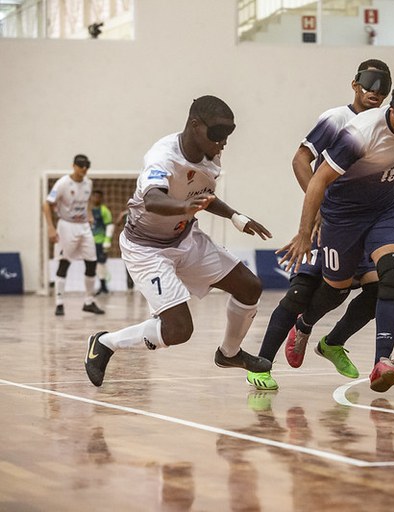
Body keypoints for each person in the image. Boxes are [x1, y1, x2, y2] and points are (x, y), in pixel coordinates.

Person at [84, 95, 273, 387]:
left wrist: (236, 217)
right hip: (147, 249)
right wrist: (185, 208)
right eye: (218, 135)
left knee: (250, 287)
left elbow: (202, 197)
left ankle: (229, 353)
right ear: (195, 125)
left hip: (185, 238)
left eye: (227, 136)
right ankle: (106, 342)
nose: (223, 142)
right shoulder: (163, 156)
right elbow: (153, 199)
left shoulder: (212, 157)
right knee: (179, 331)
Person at [280, 77, 394, 393]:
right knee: (335, 289)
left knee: (392, 275)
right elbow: (318, 182)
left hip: (386, 210)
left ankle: (382, 361)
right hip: (344, 217)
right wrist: (305, 233)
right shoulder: (360, 134)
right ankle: (304, 325)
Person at [247, 59, 392, 391]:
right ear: (355, 85)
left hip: (365, 224)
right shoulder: (336, 119)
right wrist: (321, 210)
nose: (375, 92)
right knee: (302, 292)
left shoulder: (384, 125)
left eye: (382, 87)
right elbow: (300, 158)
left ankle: (333, 342)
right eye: (369, 84)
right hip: (332, 222)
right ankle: (262, 363)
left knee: (380, 290)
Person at [43, 154, 105, 316]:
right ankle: (59, 303)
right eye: (81, 165)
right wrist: (50, 228)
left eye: (87, 166)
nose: (84, 168)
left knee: (92, 262)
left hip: (84, 226)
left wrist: (89, 215)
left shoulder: (88, 183)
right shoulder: (63, 183)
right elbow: (46, 204)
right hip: (66, 225)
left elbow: (86, 203)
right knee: (64, 263)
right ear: (74, 166)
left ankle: (89, 301)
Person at [91, 190, 114, 295]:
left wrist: (107, 241)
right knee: (92, 265)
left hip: (100, 241)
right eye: (94, 196)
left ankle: (103, 286)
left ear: (101, 198)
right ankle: (96, 286)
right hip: (89, 242)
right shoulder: (88, 210)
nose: (96, 199)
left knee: (101, 263)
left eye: (98, 197)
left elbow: (109, 226)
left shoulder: (104, 211)